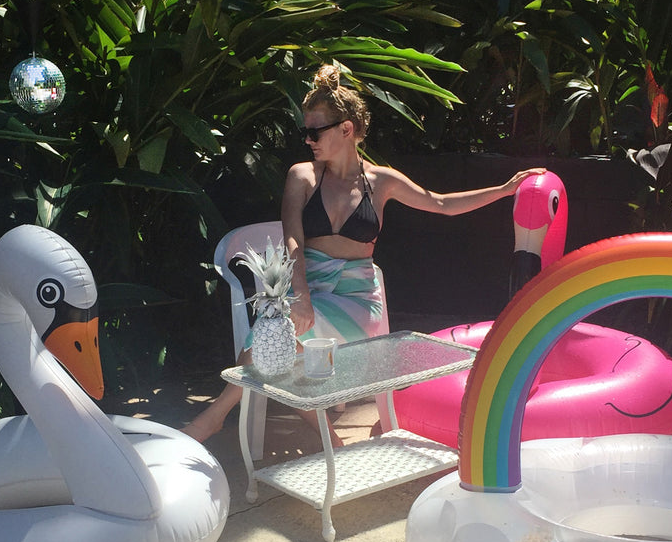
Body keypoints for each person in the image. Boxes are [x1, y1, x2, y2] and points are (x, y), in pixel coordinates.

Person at [183, 64, 545, 445]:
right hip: (311, 289)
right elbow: (292, 240)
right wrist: (302, 294)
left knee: (276, 338)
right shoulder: (301, 176)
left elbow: (439, 203)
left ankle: (217, 418)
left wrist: (504, 190)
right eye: (304, 131)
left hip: (357, 300)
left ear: (346, 129)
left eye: (315, 131)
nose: (308, 140)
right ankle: (300, 423)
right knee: (274, 337)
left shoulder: (381, 181)